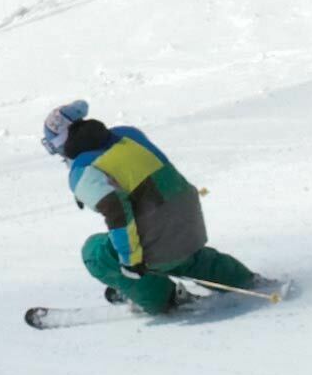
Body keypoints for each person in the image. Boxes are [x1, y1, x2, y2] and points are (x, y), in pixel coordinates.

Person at [40, 94, 273, 317]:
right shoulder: (127, 133)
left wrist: (130, 263)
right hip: (190, 220)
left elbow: (118, 214)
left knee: (95, 252)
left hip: (160, 240)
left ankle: (163, 297)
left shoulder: (82, 172)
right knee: (190, 258)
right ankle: (242, 279)